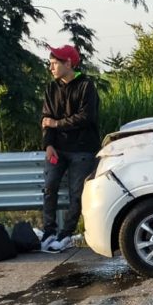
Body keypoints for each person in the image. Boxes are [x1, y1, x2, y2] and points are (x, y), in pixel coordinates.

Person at [40, 44, 100, 252]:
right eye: (50, 63)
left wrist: (56, 124)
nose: (51, 67)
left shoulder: (86, 86)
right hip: (57, 149)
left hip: (83, 149)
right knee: (49, 187)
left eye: (55, 63)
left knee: (77, 193)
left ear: (68, 63)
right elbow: (45, 118)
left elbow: (86, 117)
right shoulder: (51, 88)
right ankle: (48, 231)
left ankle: (66, 234)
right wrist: (48, 144)